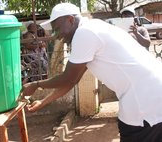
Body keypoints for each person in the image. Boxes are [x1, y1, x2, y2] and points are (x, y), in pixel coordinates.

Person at [20, 3, 162, 142]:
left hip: (143, 102)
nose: (57, 35)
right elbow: (72, 80)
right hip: (153, 93)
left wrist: (36, 84)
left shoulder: (84, 33)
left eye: (58, 29)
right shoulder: (93, 26)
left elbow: (67, 78)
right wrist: (43, 102)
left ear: (70, 19)